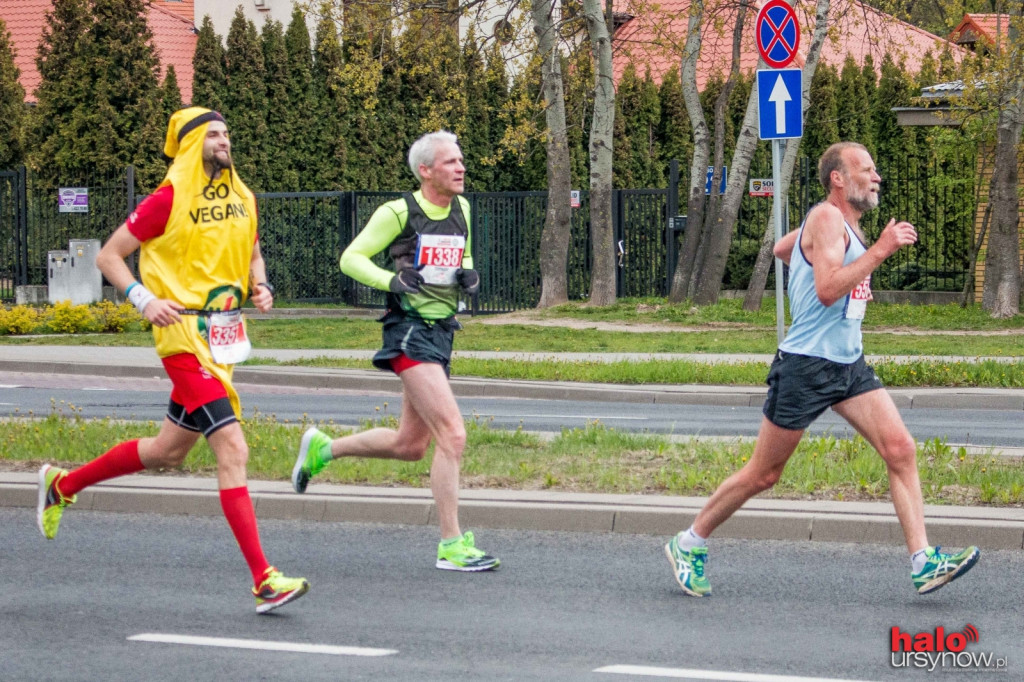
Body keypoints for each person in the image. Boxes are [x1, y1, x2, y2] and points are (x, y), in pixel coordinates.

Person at [665, 142, 979, 597]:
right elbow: (829, 289)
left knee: (900, 449)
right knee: (764, 475)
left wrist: (811, 241)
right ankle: (689, 542)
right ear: (838, 178)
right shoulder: (829, 218)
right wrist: (881, 250)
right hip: (807, 367)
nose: (876, 177)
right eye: (866, 169)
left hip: (848, 364)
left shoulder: (835, 223)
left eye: (875, 169)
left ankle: (923, 561)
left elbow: (780, 248)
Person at [36, 107, 310, 614]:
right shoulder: (167, 199)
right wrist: (144, 299)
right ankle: (263, 580)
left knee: (167, 453)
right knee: (233, 446)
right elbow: (109, 256)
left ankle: (62, 485)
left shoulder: (243, 195)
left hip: (223, 337)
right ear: (190, 145)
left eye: (228, 132)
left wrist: (261, 283)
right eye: (215, 134)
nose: (225, 141)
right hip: (182, 336)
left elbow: (253, 252)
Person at [291, 130, 498, 572]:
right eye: (450, 163)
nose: (461, 168)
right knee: (453, 434)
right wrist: (390, 281)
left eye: (461, 160)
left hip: (442, 330)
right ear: (426, 171)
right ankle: (452, 545)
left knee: (410, 445)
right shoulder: (398, 212)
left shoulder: (461, 207)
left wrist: (467, 275)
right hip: (407, 331)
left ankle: (323, 450)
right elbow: (352, 258)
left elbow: (461, 255)